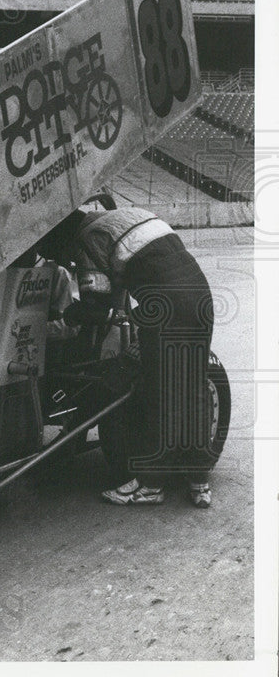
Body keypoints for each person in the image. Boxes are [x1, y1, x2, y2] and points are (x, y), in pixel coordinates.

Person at [38, 205, 217, 508]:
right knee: (194, 390)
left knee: (158, 394)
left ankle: (150, 486)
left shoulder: (88, 238)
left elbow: (96, 304)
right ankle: (199, 482)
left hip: (164, 309)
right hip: (200, 298)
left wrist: (63, 319)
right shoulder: (128, 215)